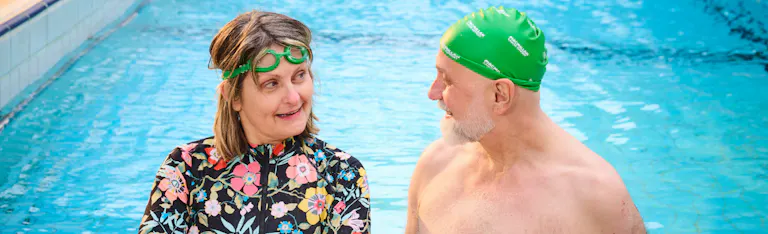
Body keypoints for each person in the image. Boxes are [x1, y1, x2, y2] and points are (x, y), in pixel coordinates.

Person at [405, 6, 645, 234]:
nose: (433, 93)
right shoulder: (435, 165)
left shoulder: (594, 196)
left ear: (500, 95)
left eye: (447, 81)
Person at [138, 10, 370, 234]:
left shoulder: (341, 174)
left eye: (299, 76)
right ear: (234, 96)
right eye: (271, 83)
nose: (293, 97)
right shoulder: (187, 168)